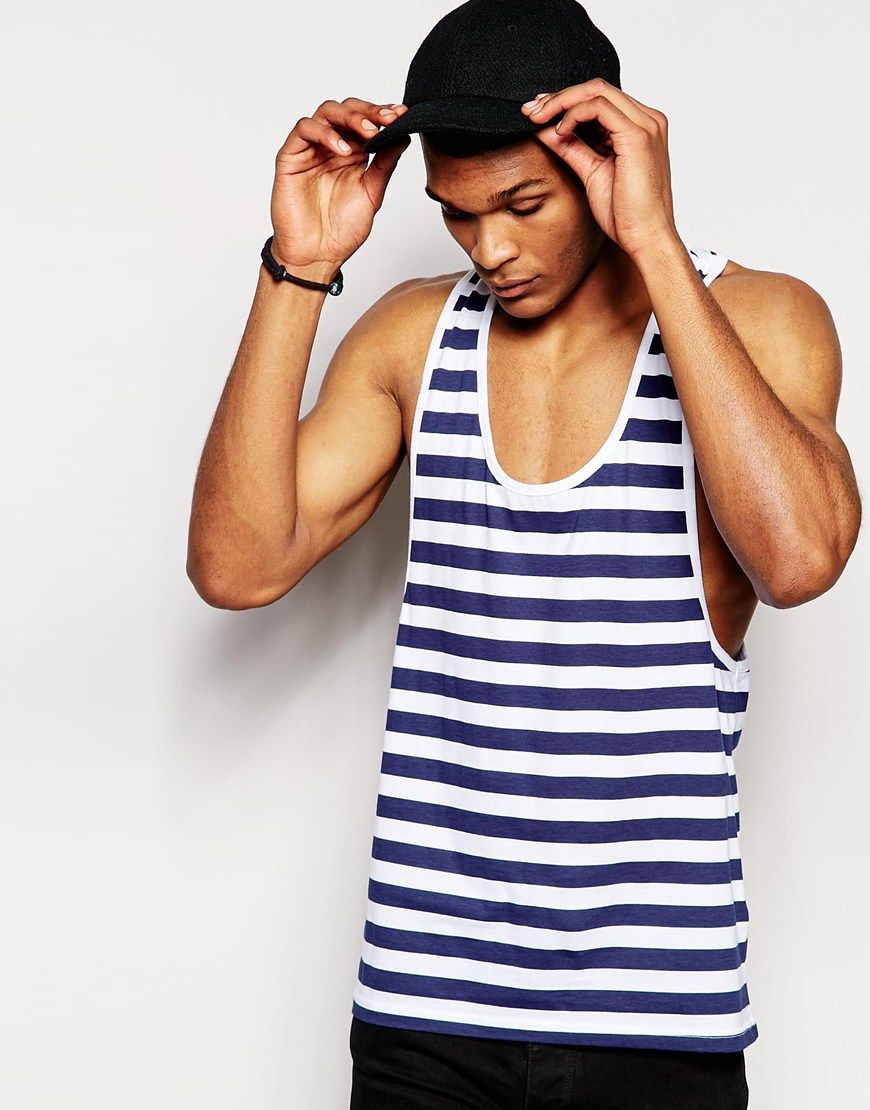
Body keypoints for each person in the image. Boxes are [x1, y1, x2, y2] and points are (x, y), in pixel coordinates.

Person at [186, 2, 861, 1106]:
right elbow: (237, 567)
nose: (490, 249)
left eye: (523, 205)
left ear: (603, 162)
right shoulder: (415, 337)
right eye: (457, 215)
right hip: (424, 1006)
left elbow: (800, 561)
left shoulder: (762, 318)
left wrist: (654, 242)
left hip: (659, 1015)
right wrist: (299, 267)